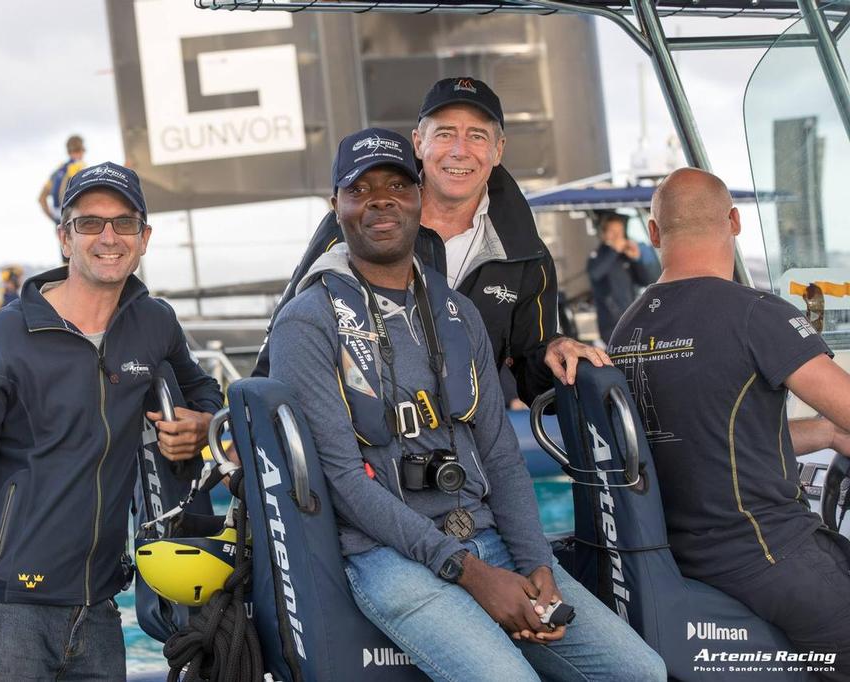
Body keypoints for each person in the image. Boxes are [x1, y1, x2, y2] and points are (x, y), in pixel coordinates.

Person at [269, 127, 666, 682]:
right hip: (387, 556)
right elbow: (342, 480)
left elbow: (501, 456)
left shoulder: (457, 312)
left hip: (487, 540)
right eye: (360, 189)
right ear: (336, 206)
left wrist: (536, 565)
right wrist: (472, 574)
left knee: (639, 673)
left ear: (418, 199)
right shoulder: (307, 323)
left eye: (395, 186)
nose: (380, 200)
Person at [0, 162, 223, 682]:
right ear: (65, 238)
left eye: (124, 223)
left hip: (101, 611)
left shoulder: (155, 323)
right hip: (5, 614)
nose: (108, 237)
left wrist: (201, 427)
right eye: (89, 223)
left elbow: (204, 392)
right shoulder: (0, 341)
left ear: (144, 238)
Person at [609, 167, 850, 680]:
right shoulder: (754, 314)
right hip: (769, 556)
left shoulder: (628, 329)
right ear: (735, 221)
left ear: (654, 233)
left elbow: (709, 436)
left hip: (687, 556)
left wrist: (827, 434)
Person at [255, 76, 609, 401]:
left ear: (498, 150)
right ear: (419, 143)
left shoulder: (528, 257)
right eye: (444, 134)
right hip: (354, 440)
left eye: (477, 135)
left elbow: (531, 376)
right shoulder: (359, 219)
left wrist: (558, 352)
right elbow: (288, 328)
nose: (459, 150)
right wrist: (254, 426)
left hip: (467, 449)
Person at [585, 212, 658, 344]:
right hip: (610, 323)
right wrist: (614, 250)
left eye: (620, 231)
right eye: (613, 231)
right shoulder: (597, 256)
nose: (618, 236)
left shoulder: (624, 257)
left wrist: (636, 260)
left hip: (631, 318)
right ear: (604, 234)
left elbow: (647, 281)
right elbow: (595, 273)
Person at [39, 135, 86, 262]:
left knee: (66, 260)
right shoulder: (79, 167)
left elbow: (41, 198)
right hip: (76, 220)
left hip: (60, 220)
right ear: (82, 149)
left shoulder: (58, 171)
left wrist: (55, 219)